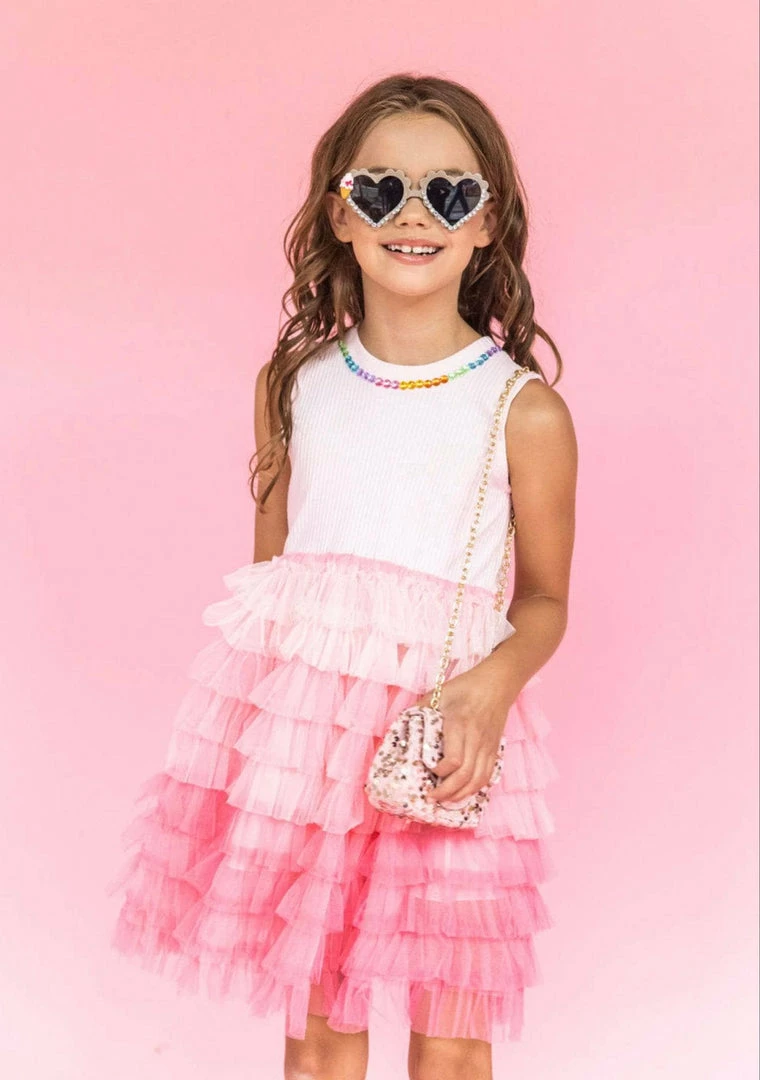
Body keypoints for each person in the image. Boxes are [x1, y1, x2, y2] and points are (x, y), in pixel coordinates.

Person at [108, 73, 577, 1080]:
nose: (414, 215)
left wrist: (489, 689)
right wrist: (262, 751)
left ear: (487, 221)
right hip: (308, 754)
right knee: (320, 1031)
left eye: (449, 192)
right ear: (339, 213)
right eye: (381, 189)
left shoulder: (522, 410)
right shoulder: (297, 389)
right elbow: (272, 581)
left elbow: (543, 599)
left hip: (449, 735)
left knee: (452, 1035)